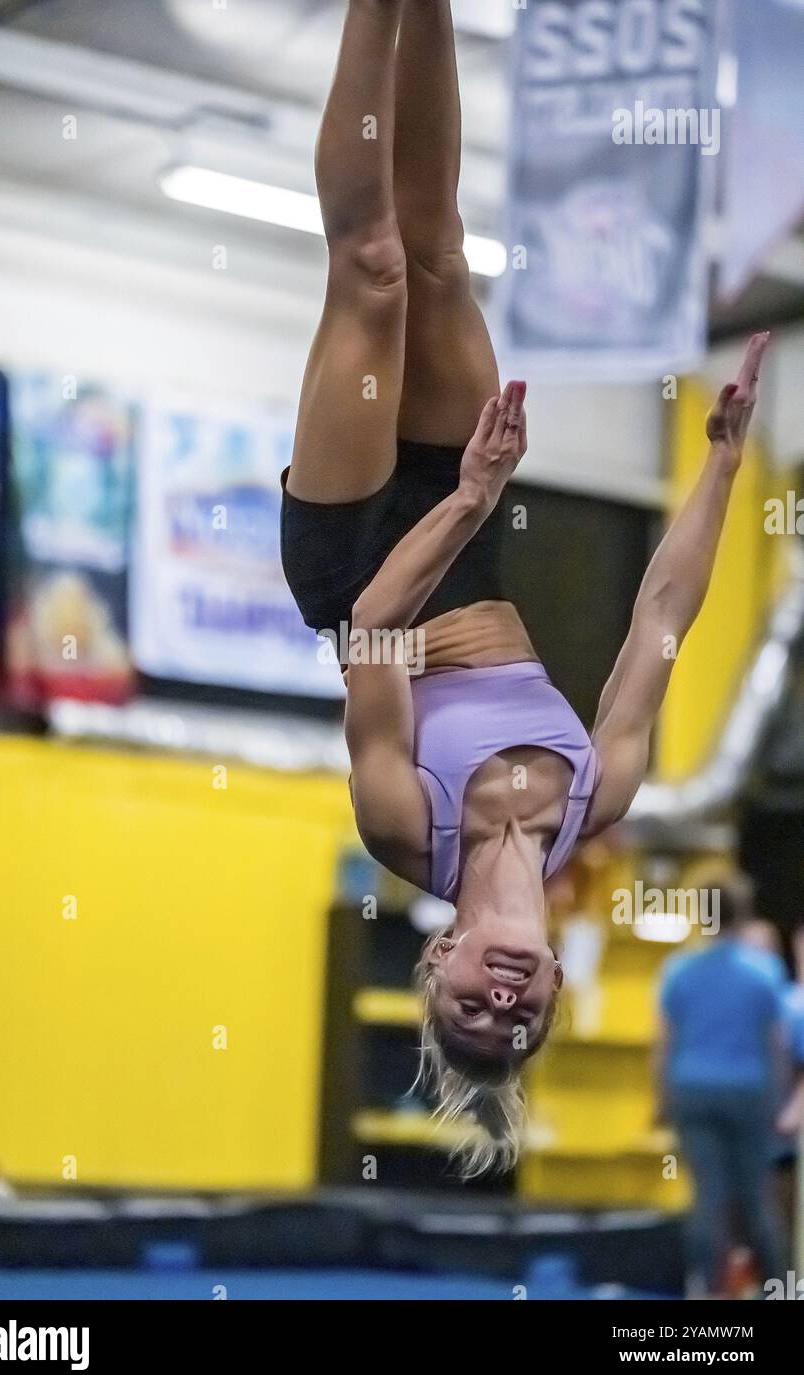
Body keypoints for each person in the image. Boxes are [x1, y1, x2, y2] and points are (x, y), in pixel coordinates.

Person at [280, 0, 771, 1174]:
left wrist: (464, 497)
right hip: (468, 530)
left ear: (434, 968)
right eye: (521, 1019)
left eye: (468, 1014)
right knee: (442, 247)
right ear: (552, 982)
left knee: (375, 268)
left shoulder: (405, 827)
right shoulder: (599, 797)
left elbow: (373, 637)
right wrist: (720, 459)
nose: (497, 1003)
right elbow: (660, 616)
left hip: (359, 556)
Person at [657, 880, 785, 1295]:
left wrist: (663, 1100)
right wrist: (776, 1101)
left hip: (692, 1090)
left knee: (707, 1200)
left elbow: (663, 1043)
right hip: (749, 1092)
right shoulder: (765, 970)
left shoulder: (678, 970)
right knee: (754, 1200)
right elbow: (777, 1045)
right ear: (743, 914)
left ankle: (705, 1290)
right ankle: (777, 1289)